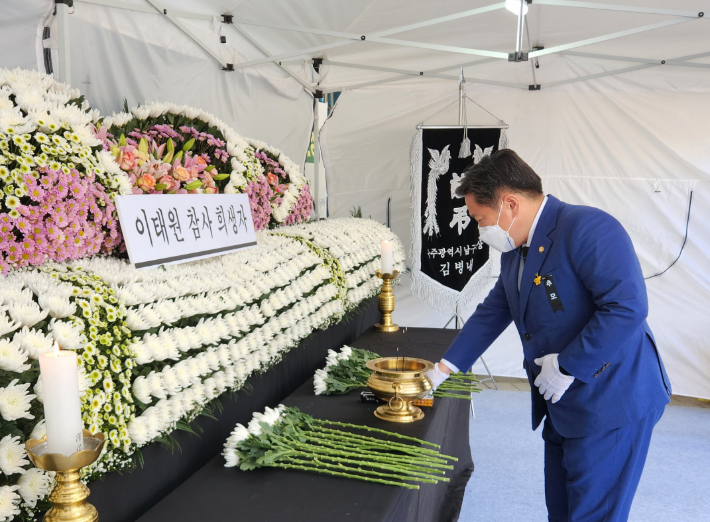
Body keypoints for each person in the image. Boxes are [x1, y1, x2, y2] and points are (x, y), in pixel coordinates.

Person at [425, 149, 671, 522]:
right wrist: (445, 367)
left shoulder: (588, 228)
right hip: (561, 401)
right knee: (562, 508)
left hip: (610, 400)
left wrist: (569, 365)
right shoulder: (516, 247)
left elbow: (626, 308)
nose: (480, 230)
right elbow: (497, 309)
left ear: (509, 204)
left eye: (480, 219)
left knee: (593, 514)